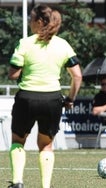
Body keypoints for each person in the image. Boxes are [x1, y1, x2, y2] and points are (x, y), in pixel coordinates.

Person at [8, 5, 82, 188]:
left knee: (18, 141)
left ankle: (17, 182)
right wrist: (70, 99)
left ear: (39, 21)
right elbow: (78, 76)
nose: (30, 22)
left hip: (26, 98)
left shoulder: (25, 43)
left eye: (31, 19)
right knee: (46, 146)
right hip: (52, 101)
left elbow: (13, 74)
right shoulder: (63, 45)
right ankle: (45, 186)